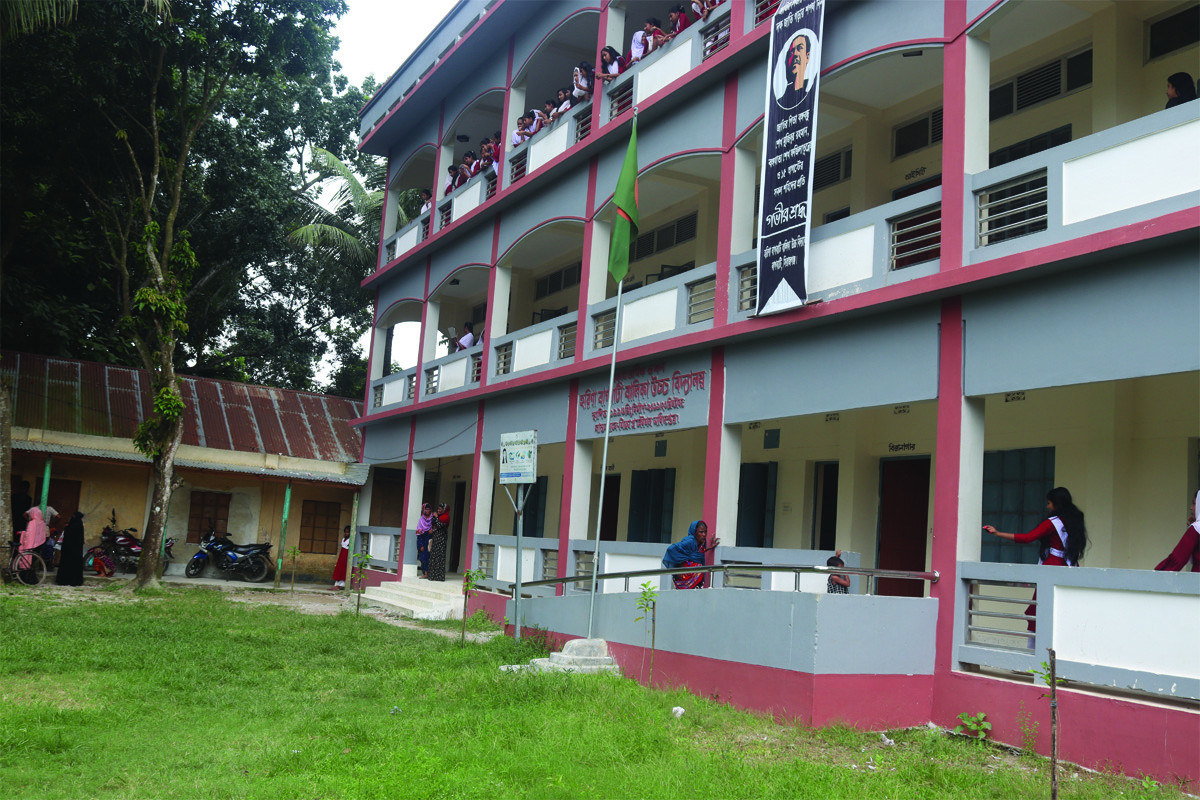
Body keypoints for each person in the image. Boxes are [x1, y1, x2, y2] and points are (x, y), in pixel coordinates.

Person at [984, 486, 1088, 632]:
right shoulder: (1075, 520)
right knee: (1064, 608)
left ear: (1056, 504)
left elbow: (1027, 538)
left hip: (1052, 566)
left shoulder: (1053, 522)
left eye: (1049, 503)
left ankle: (1035, 643)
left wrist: (998, 533)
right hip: (1070, 565)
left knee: (1040, 609)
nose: (1048, 506)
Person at [662, 519, 719, 589]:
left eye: (705, 531)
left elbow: (697, 553)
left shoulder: (702, 542)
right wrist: (680, 565)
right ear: (694, 532)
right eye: (701, 532)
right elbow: (671, 549)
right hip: (686, 576)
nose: (704, 534)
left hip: (694, 576)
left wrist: (710, 547)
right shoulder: (690, 541)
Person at [1155, 490, 1199, 572]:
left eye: (1194, 503)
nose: (1191, 507)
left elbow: (1179, 558)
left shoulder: (1196, 528)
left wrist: (1158, 575)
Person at [56, 511, 86, 586]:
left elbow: (67, 537)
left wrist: (66, 528)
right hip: (76, 551)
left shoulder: (71, 527)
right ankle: (75, 581)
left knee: (67, 565)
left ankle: (64, 580)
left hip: (68, 551)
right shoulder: (80, 525)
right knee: (75, 565)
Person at [18, 506, 49, 573]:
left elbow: (28, 534)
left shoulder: (32, 523)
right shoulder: (43, 523)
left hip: (30, 545)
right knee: (33, 562)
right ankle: (32, 576)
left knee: (27, 560)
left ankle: (26, 575)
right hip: (39, 545)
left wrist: (23, 533)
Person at [428, 503, 450, 582]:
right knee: (433, 556)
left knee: (439, 557)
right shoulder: (439, 516)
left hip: (441, 539)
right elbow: (433, 524)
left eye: (440, 509)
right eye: (438, 509)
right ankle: (432, 575)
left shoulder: (446, 517)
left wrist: (437, 517)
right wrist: (434, 518)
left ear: (444, 510)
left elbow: (440, 525)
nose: (438, 510)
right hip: (435, 538)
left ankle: (439, 576)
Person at [10, 480, 32, 546]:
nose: (24, 489)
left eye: (25, 488)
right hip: (16, 519)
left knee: (19, 536)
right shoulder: (14, 497)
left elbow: (27, 510)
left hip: (20, 520)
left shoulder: (28, 498)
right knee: (16, 535)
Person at [415, 503, 434, 578]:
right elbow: (419, 533)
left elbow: (436, 527)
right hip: (422, 540)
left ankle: (427, 573)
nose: (427, 511)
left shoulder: (433, 518)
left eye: (429, 509)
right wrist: (420, 545)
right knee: (422, 557)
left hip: (430, 540)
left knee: (428, 557)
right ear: (423, 510)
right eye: (426, 509)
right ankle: (424, 572)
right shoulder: (421, 519)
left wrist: (432, 530)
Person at [331, 525, 350, 589]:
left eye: (348, 532)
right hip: (341, 555)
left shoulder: (350, 540)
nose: (346, 533)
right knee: (339, 568)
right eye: (345, 532)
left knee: (344, 568)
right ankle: (337, 582)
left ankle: (342, 583)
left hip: (346, 555)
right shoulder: (343, 539)